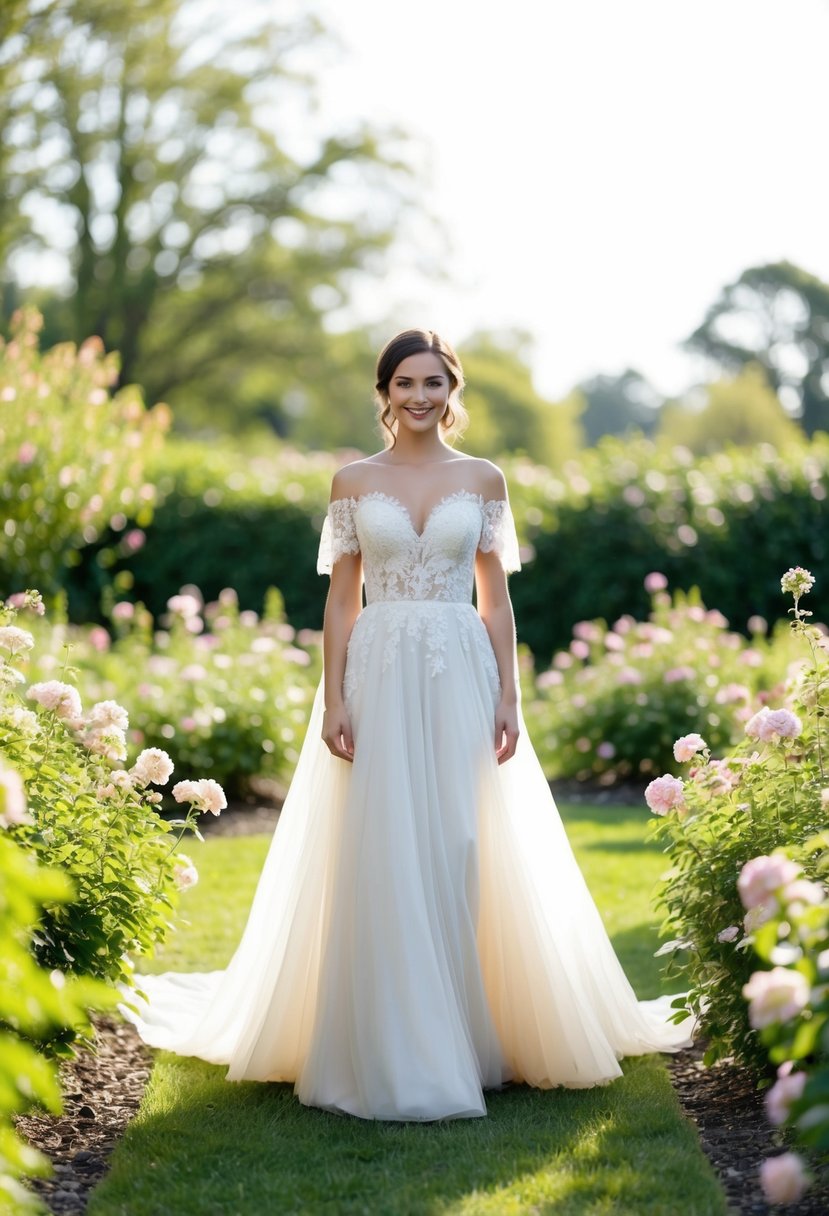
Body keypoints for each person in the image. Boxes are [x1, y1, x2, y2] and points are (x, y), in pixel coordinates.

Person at [123, 328, 694, 1121]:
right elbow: (339, 598)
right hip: (380, 668)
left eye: (433, 383)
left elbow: (495, 602)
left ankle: (471, 1029)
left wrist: (509, 699)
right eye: (404, 383)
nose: (420, 397)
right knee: (385, 841)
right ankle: (392, 1040)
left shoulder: (484, 479)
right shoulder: (352, 481)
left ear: (451, 391)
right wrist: (334, 699)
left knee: (463, 841)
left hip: (460, 668)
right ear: (384, 393)